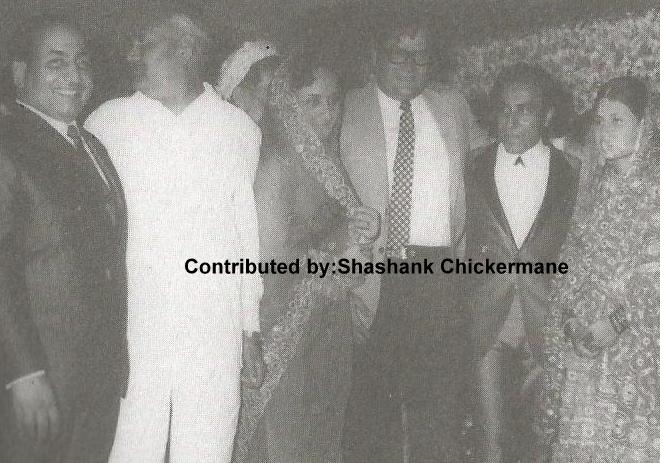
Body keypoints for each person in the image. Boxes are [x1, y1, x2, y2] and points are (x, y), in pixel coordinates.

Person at [83, 6, 264, 462]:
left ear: (184, 51)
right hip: (133, 329)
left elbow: (244, 235)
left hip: (212, 329)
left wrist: (249, 329)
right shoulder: (106, 122)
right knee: (128, 451)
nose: (131, 55)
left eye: (144, 43)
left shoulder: (237, 129)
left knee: (207, 452)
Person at [218, 42, 380, 463]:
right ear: (286, 104)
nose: (326, 112)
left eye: (332, 101)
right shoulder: (276, 166)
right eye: (312, 102)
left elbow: (342, 251)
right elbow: (270, 262)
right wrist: (332, 258)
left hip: (327, 325)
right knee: (284, 439)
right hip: (284, 329)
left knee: (322, 435)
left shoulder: (327, 163)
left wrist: (359, 237)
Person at [340, 8, 489, 462]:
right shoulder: (347, 107)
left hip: (439, 272)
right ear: (375, 57)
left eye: (421, 56)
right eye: (398, 55)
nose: (410, 66)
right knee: (371, 414)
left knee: (438, 410)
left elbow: (494, 158)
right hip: (374, 277)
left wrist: (563, 147)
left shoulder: (452, 106)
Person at [543, 77, 660, 462]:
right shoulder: (595, 185)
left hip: (641, 353)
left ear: (646, 125)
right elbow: (573, 258)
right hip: (587, 347)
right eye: (600, 120)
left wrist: (615, 324)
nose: (604, 131)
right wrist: (572, 318)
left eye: (617, 120)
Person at [0, 15, 128, 462]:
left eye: (80, 61)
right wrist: (23, 375)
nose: (73, 75)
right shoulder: (8, 144)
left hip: (95, 381)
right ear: (20, 73)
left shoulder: (91, 145)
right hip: (38, 386)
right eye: (55, 63)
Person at [465, 63, 580, 462]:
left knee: (544, 444)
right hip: (486, 319)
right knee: (490, 440)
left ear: (546, 115)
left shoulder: (574, 170)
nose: (511, 120)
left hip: (547, 319)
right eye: (504, 109)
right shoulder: (470, 166)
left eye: (525, 110)